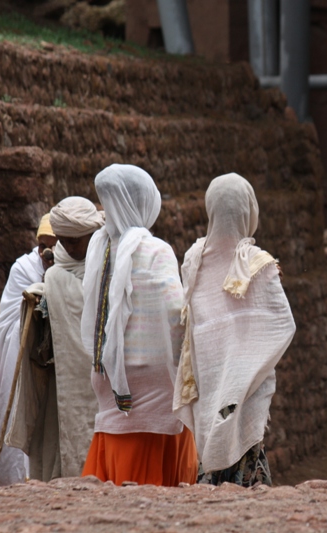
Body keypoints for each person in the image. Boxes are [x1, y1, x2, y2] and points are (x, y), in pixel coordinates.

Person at [173, 173, 296, 487]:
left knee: (213, 445)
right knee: (244, 446)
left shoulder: (193, 258)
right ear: (248, 210)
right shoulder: (259, 263)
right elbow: (282, 323)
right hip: (246, 383)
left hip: (204, 377)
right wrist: (245, 370)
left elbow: (194, 322)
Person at [80, 164, 198, 486]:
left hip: (110, 378)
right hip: (155, 384)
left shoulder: (98, 248)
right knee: (159, 487)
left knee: (113, 476)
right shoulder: (155, 249)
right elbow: (175, 312)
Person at [4, 197, 103, 481]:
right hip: (62, 382)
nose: (70, 247)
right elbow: (41, 346)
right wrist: (38, 309)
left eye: (77, 241)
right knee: (63, 441)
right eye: (65, 241)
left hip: (104, 378)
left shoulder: (109, 267)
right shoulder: (56, 275)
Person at [0, 214, 57, 485]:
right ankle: (13, 478)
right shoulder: (24, 268)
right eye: (43, 246)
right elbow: (9, 321)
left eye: (53, 246)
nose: (46, 253)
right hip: (24, 353)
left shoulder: (76, 267)